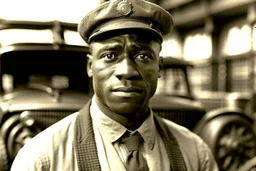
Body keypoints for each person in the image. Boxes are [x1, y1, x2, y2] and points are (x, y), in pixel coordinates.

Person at [11, 0, 219, 170]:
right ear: (90, 66)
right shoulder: (41, 159)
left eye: (143, 55)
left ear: (160, 67)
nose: (127, 70)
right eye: (110, 55)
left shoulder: (196, 153)